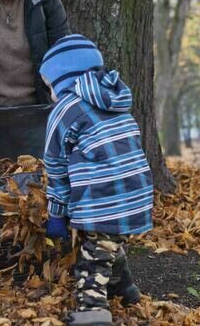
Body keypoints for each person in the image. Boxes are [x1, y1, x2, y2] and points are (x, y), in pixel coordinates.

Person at [39, 35, 154, 326]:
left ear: (63, 79)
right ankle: (125, 290)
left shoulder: (65, 110)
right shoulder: (115, 99)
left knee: (91, 261)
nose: (50, 93)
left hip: (103, 197)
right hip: (136, 193)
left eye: (50, 85)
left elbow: (56, 167)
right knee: (107, 241)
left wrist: (56, 213)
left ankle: (93, 313)